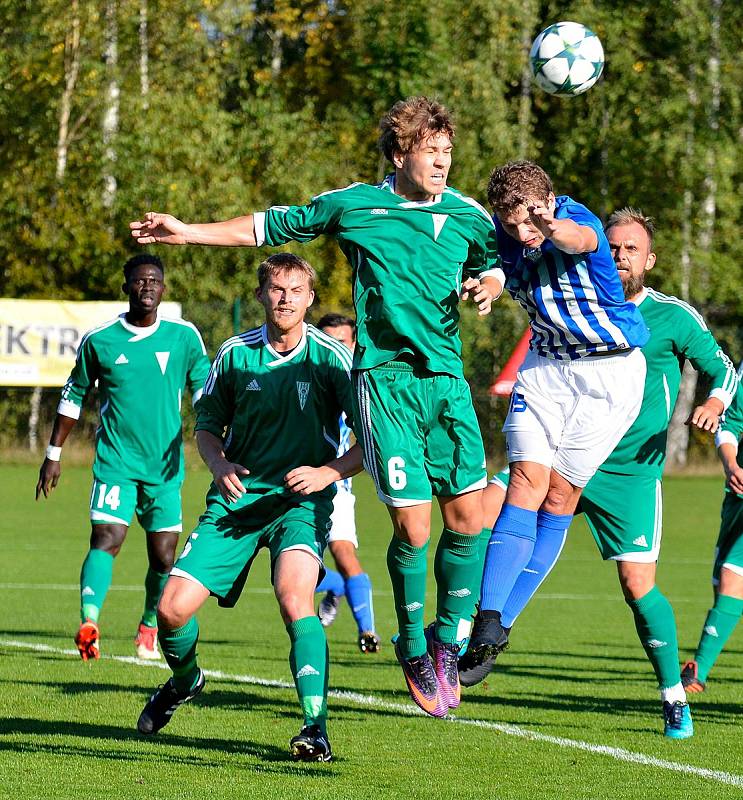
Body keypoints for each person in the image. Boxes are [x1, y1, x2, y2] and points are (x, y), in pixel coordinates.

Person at [130, 96, 505, 718]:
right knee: (414, 527)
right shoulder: (354, 204)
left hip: (447, 384)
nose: (442, 162)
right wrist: (189, 231)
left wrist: (488, 283)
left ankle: (444, 638)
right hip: (385, 383)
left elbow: (497, 264)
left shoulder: (466, 214)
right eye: (429, 152)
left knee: (468, 520)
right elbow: (268, 227)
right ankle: (413, 646)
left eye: (447, 152)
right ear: (399, 153)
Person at [466, 208, 739, 739]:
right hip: (560, 451)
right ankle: (474, 632)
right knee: (477, 515)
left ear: (650, 260)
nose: (619, 257)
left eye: (630, 249)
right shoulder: (571, 293)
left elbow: (720, 364)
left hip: (626, 474)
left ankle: (673, 694)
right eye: (612, 247)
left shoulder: (672, 316)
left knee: (638, 586)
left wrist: (714, 400)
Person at [136, 253, 363, 762]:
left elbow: (369, 439)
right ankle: (186, 681)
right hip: (236, 503)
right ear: (261, 294)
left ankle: (315, 726)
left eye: (296, 290)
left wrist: (328, 472)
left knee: (294, 597)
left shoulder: (331, 358)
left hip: (300, 505)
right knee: (170, 611)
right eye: (276, 289)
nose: (285, 299)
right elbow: (208, 427)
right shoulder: (235, 354)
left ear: (310, 298)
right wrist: (218, 466)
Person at [465, 162, 651, 676]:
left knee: (561, 497)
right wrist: (493, 280)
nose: (522, 232)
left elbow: (580, 240)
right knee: (525, 478)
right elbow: (500, 263)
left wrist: (549, 227)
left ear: (547, 200)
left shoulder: (571, 217)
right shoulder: (504, 232)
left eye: (529, 219)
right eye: (511, 222)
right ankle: (486, 618)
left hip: (609, 374)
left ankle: (502, 625)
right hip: (547, 367)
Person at [35, 254, 210, 661]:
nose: (147, 286)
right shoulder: (101, 339)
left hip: (165, 468)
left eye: (155, 281)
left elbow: (203, 389)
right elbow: (73, 394)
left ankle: (149, 624)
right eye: (139, 280)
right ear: (126, 287)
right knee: (106, 538)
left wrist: (216, 431)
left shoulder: (184, 337)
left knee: (164, 556)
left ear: (164, 289)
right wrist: (53, 454)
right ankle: (88, 622)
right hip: (115, 462)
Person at [313, 313, 380, 654]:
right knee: (293, 567)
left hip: (336, 485)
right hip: (292, 484)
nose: (334, 348)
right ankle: (337, 586)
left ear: (354, 344)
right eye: (327, 341)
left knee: (343, 553)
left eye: (342, 342)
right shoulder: (303, 372)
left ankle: (368, 631)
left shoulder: (358, 383)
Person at [682, 362, 743, 694]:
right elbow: (730, 423)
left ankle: (697, 673)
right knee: (723, 585)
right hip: (738, 496)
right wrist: (732, 464)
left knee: (734, 575)